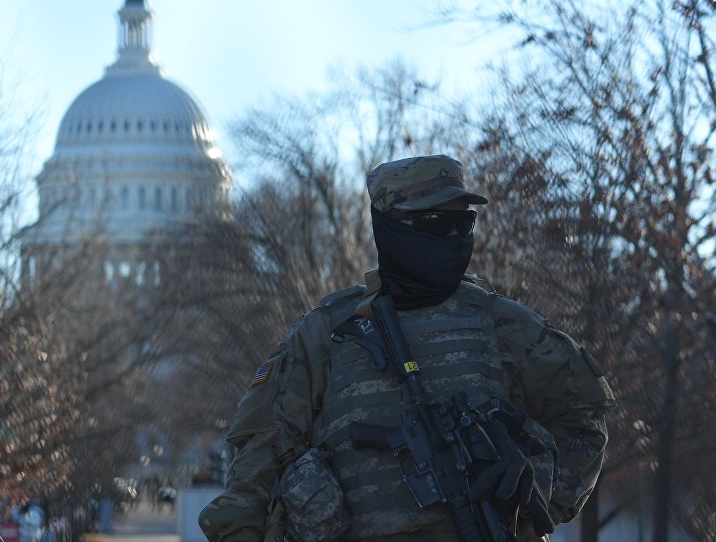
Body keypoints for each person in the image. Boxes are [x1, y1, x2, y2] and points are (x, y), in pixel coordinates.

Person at [198, 155, 616, 541]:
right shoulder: (325, 334)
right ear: (391, 228)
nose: (453, 238)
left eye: (463, 225)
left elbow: (585, 419)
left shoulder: (504, 325)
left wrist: (536, 486)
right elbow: (255, 464)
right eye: (436, 225)